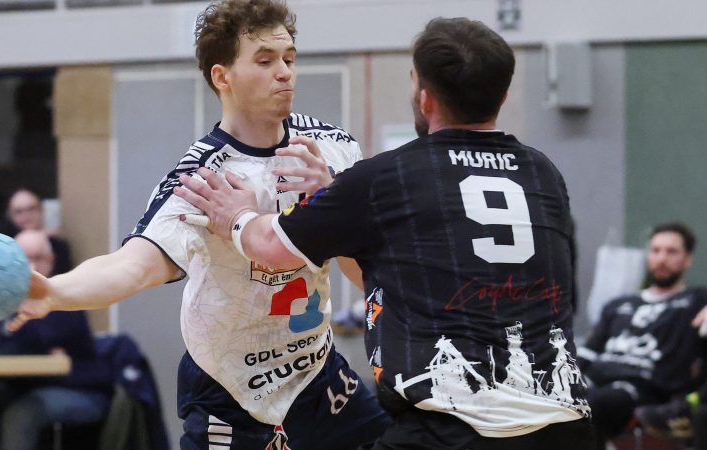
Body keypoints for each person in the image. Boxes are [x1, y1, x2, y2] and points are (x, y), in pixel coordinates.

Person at [175, 17, 595, 449]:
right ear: (503, 96)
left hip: (449, 431)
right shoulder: (543, 174)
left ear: (425, 98)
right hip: (564, 425)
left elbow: (270, 245)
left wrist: (239, 215)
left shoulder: (387, 178)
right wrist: (333, 194)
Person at [9, 1, 390, 448]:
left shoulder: (333, 148)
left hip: (315, 374)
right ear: (222, 77)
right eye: (265, 61)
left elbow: (367, 273)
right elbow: (132, 266)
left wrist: (334, 206)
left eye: (289, 59)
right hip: (228, 387)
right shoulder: (200, 179)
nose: (284, 73)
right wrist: (56, 292)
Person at [0, 230, 113, 450]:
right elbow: (0, 346)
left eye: (37, 258)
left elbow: (36, 344)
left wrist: (17, 340)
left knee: (20, 414)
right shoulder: (7, 299)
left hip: (80, 388)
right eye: (22, 260)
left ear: (51, 260)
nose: (31, 267)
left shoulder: (65, 298)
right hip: (28, 384)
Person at [576, 222, 707, 448]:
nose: (662, 258)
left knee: (587, 406)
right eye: (656, 250)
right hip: (596, 379)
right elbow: (588, 353)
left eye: (671, 251)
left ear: (687, 259)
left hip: (641, 389)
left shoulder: (697, 300)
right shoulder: (619, 304)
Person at [2, 188, 73, 275]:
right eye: (19, 212)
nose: (26, 216)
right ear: (10, 215)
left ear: (41, 209)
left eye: (31, 209)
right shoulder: (4, 246)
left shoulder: (58, 244)